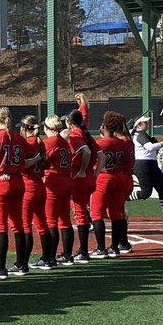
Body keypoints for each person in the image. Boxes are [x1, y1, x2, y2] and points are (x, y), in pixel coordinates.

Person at [0, 106, 29, 275]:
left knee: (1, 226)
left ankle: (0, 267)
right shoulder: (19, 138)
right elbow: (27, 158)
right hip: (18, 180)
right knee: (18, 224)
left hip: (2, 182)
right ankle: (21, 264)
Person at [90, 111, 132, 258]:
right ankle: (115, 247)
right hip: (119, 177)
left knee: (96, 214)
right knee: (117, 213)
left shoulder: (99, 143)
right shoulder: (123, 142)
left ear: (105, 126)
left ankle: (101, 248)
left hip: (104, 178)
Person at [18, 115, 54, 269]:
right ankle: (47, 259)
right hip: (40, 184)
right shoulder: (40, 142)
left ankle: (23, 263)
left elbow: (22, 165)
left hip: (29, 185)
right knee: (42, 224)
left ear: (24, 128)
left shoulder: (28, 143)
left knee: (26, 226)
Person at [130, 114, 163, 221]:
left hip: (152, 164)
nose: (147, 124)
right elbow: (150, 147)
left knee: (162, 188)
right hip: (143, 165)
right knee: (146, 193)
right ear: (139, 124)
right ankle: (122, 198)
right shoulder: (140, 134)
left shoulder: (140, 134)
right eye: (145, 122)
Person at [66, 95, 98, 263]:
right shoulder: (86, 134)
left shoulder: (76, 135)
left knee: (79, 215)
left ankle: (83, 252)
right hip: (88, 177)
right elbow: (101, 155)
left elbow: (86, 152)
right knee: (82, 213)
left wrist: (83, 170)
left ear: (69, 123)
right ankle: (83, 250)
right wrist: (94, 173)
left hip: (79, 177)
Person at [42, 115, 75, 264]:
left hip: (54, 181)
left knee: (51, 221)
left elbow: (43, 161)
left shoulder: (50, 142)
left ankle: (50, 257)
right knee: (65, 219)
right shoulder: (63, 142)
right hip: (66, 180)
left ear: (48, 128)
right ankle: (67, 254)